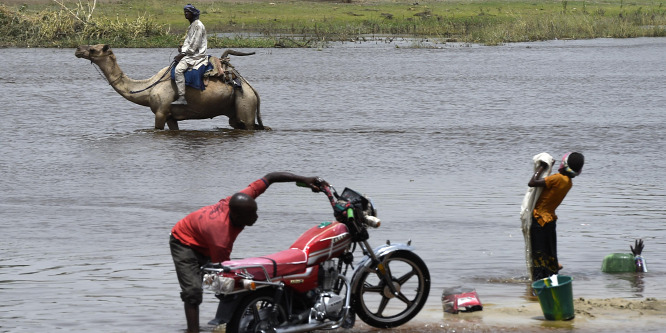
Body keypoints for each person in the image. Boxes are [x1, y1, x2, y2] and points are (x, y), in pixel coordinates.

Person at [169, 172, 326, 333]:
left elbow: (271, 177)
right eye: (251, 215)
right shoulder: (221, 237)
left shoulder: (243, 199)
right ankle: (193, 330)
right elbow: (224, 276)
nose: (256, 217)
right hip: (183, 242)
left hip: (203, 237)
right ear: (237, 216)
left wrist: (304, 180)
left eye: (255, 212)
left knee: (234, 281)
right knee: (195, 292)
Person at [527, 152, 584, 281]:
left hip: (539, 220)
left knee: (539, 256)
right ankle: (553, 279)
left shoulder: (557, 178)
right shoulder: (568, 182)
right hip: (550, 221)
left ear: (563, 164)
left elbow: (532, 182)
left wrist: (542, 166)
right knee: (550, 254)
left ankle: (537, 288)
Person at [172, 4, 208, 105]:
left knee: (178, 70)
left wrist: (182, 54)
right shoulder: (192, 25)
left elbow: (194, 45)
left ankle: (182, 96)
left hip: (196, 55)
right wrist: (182, 50)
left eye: (188, 12)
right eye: (185, 12)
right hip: (190, 54)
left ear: (193, 14)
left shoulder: (198, 26)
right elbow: (188, 42)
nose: (185, 13)